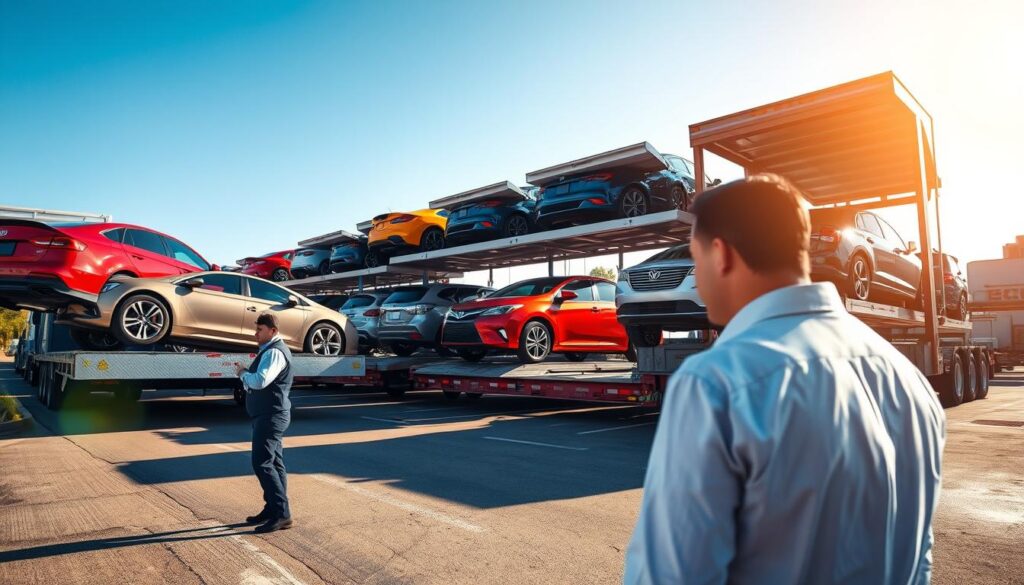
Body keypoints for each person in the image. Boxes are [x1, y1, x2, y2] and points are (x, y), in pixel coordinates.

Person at [624, 174, 945, 584]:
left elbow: (671, 575)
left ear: (720, 255)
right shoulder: (909, 381)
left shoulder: (716, 385)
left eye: (694, 256)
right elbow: (919, 560)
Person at [234, 312, 294, 534]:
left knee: (262, 463)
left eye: (260, 330)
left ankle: (282, 514)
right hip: (269, 414)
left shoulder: (274, 353)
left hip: (271, 416)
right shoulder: (270, 351)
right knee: (275, 464)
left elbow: (260, 381)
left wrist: (242, 374)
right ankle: (273, 508)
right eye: (256, 329)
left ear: (273, 331)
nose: (255, 333)